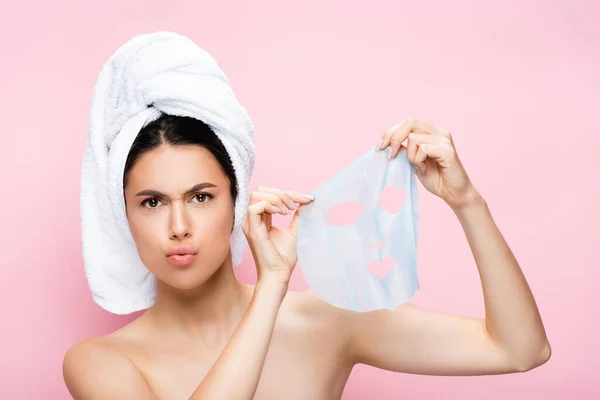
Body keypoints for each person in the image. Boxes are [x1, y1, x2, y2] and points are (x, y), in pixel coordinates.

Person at [63, 114, 551, 399]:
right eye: (152, 202)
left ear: (237, 202)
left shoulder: (327, 320)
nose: (178, 227)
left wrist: (466, 202)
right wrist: (273, 284)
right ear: (121, 216)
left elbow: (520, 350)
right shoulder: (101, 363)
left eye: (201, 196)